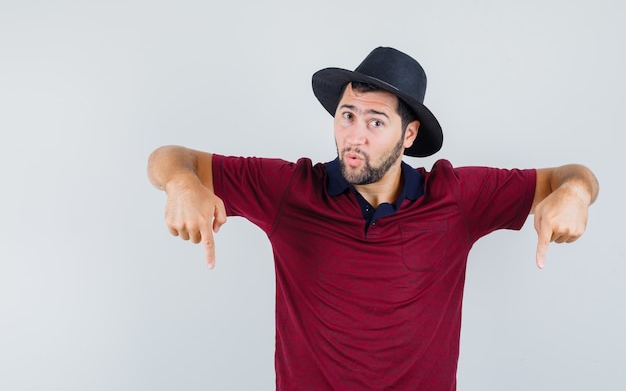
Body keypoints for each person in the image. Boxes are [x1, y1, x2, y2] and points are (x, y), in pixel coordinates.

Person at [147, 47, 599, 391]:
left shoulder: (455, 197)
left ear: (409, 134)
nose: (354, 136)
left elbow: (571, 176)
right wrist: (182, 185)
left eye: (376, 122)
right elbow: (170, 158)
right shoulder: (291, 189)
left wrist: (575, 193)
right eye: (347, 115)